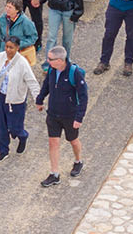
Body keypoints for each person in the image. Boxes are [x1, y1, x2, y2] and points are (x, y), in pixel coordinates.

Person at [35, 45, 87, 187]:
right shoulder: (52, 70)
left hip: (69, 116)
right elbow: (46, 85)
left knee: (73, 140)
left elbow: (83, 96)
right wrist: (39, 100)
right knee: (53, 143)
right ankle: (54, 174)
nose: (48, 61)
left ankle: (78, 161)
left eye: (50, 59)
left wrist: (79, 118)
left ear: (60, 60)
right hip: (53, 114)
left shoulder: (75, 73)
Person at [0, 34, 38, 160]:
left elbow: (32, 81)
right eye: (6, 47)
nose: (8, 50)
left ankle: (23, 136)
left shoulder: (22, 63)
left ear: (17, 48)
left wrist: (38, 99)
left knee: (15, 128)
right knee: (0, 126)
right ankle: (3, 150)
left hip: (15, 101)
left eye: (11, 47)